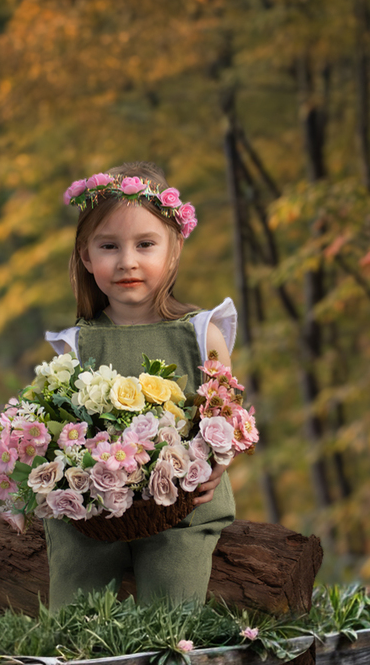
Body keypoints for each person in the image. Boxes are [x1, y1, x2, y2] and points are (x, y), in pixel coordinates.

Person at [43, 162, 237, 608]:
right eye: (109, 246)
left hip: (181, 507)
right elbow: (61, 431)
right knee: (77, 596)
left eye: (145, 244)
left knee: (170, 605)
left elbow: (229, 420)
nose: (127, 261)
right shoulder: (76, 344)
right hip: (94, 513)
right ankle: (78, 663)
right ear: (86, 256)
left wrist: (218, 464)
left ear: (173, 250)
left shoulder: (201, 333)